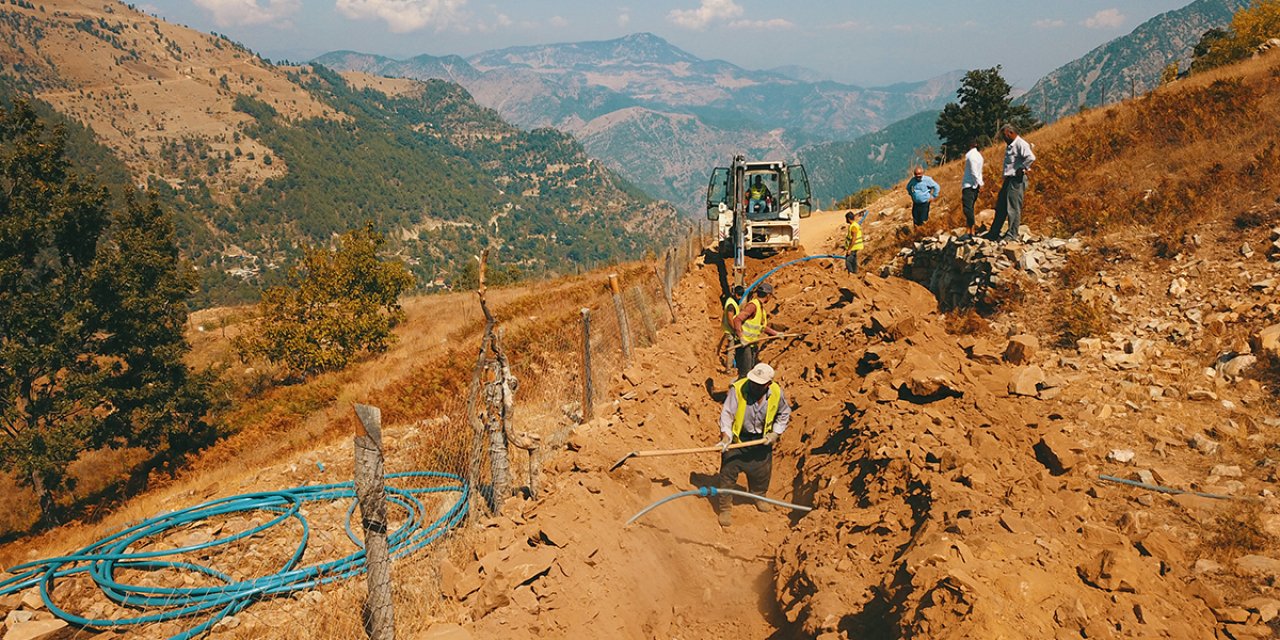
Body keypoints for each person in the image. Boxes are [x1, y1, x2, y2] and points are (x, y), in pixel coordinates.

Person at [715, 362, 792, 527]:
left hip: (761, 441)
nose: (754, 386)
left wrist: (775, 433)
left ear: (768, 384)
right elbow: (727, 414)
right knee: (728, 475)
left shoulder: (776, 392)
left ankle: (759, 496)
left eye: (759, 384)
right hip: (738, 440)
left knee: (761, 473)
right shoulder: (738, 389)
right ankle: (725, 508)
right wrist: (725, 437)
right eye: (753, 382)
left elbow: (784, 413)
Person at [986, 124, 1036, 242]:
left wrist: (1022, 168)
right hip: (1009, 179)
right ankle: (994, 233)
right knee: (1001, 206)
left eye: (1005, 135)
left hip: (1016, 179)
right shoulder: (1010, 146)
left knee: (1013, 207)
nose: (1004, 138)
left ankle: (1012, 234)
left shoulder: (1020, 144)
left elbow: (1031, 157)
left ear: (1010, 133)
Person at [729, 281, 779, 376]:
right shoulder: (753, 306)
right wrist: (741, 338)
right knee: (746, 373)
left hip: (751, 344)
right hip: (744, 345)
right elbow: (737, 320)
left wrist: (776, 333)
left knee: (750, 371)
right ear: (768, 296)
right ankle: (737, 390)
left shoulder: (760, 309)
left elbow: (762, 327)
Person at [717, 285, 744, 372]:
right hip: (729, 329)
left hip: (730, 329)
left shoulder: (731, 301)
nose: (740, 298)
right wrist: (735, 330)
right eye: (739, 295)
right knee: (731, 349)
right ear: (736, 294)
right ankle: (729, 369)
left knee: (732, 349)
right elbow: (730, 319)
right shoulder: (731, 305)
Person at [962, 140, 984, 236]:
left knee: (967, 208)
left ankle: (971, 228)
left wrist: (979, 183)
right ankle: (969, 227)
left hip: (969, 185)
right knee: (970, 207)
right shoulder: (979, 156)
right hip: (975, 185)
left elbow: (974, 171)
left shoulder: (971, 156)